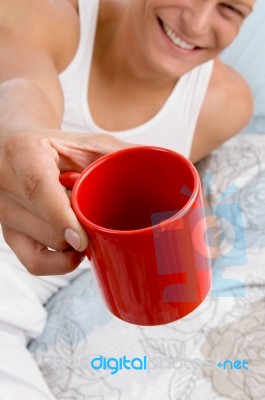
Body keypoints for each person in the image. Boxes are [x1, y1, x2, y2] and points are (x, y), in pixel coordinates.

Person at [0, 0, 255, 398]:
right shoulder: (48, 13)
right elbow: (19, 85)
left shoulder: (224, 104)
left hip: (31, 288)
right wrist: (22, 135)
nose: (197, 22)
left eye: (230, 9)